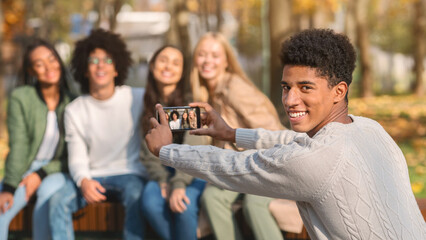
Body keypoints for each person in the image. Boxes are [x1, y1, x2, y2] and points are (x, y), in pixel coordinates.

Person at [145, 28, 426, 239]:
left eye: (305, 88)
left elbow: (234, 166)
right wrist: (231, 133)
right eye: (285, 87)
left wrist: (167, 151)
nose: (290, 100)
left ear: (339, 91)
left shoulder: (311, 160)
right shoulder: (369, 128)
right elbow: (290, 140)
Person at [189, 32, 292, 240]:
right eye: (202, 54)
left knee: (254, 204)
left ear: (226, 61)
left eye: (215, 55)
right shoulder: (206, 93)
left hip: (268, 164)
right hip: (241, 168)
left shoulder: (235, 88)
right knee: (212, 197)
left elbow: (271, 133)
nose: (208, 60)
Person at [48, 29, 147, 240]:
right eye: (93, 60)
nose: (100, 65)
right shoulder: (75, 110)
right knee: (58, 201)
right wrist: (83, 181)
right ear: (84, 69)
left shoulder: (137, 98)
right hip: (92, 176)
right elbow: (77, 156)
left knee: (137, 196)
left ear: (117, 68)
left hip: (130, 173)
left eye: (107, 60)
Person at [0, 39, 75, 240]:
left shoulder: (74, 101)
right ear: (32, 71)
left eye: (52, 60)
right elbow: (19, 146)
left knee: (47, 195)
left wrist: (41, 173)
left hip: (58, 171)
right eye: (39, 64)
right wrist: (9, 187)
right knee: (1, 212)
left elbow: (73, 156)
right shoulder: (21, 97)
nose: (49, 67)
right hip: (24, 169)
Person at [139, 45, 206, 240]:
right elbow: (147, 151)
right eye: (163, 60)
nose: (169, 66)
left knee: (183, 206)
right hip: (162, 172)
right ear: (152, 66)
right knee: (150, 202)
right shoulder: (147, 103)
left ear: (183, 71)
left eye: (176, 63)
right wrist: (161, 179)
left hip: (193, 172)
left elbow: (194, 149)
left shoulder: (189, 102)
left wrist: (178, 184)